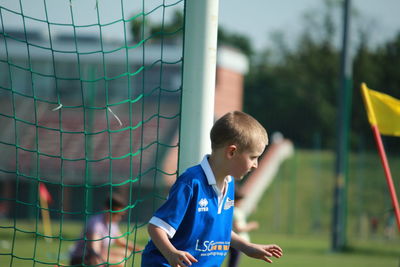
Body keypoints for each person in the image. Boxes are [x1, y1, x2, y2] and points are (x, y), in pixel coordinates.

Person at [141, 111, 283, 267]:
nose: (255, 165)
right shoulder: (191, 183)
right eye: (253, 157)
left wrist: (247, 247)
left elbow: (220, 231)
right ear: (231, 152)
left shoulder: (229, 185)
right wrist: (171, 254)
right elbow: (156, 227)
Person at [69, 194, 141, 266]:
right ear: (107, 209)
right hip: (82, 259)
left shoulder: (112, 223)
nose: (119, 218)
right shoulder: (96, 224)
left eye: (121, 215)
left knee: (125, 252)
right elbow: (94, 251)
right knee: (120, 262)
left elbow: (122, 242)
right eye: (116, 214)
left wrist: (142, 250)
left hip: (99, 254)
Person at [227, 189, 259, 267]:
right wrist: (251, 225)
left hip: (236, 241)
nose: (241, 202)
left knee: (233, 262)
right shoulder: (235, 211)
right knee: (234, 264)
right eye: (240, 200)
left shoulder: (235, 210)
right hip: (237, 241)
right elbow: (238, 228)